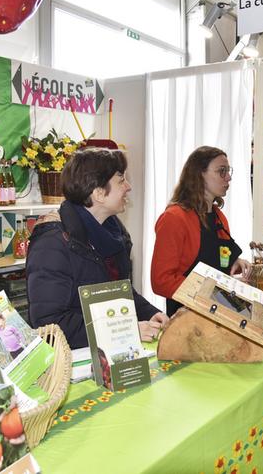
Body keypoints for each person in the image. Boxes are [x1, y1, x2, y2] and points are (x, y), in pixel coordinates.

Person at [27, 149, 169, 349]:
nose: (128, 187)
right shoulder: (52, 245)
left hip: (111, 353)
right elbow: (49, 325)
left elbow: (119, 290)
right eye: (121, 180)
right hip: (74, 365)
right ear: (99, 193)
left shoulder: (113, 234)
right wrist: (125, 330)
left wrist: (150, 313)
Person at [151, 146, 252, 317]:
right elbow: (161, 281)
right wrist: (212, 292)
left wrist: (233, 262)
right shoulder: (174, 218)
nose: (228, 177)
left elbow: (217, 260)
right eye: (221, 171)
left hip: (217, 312)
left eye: (228, 171)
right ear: (199, 174)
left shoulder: (218, 216)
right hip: (187, 317)